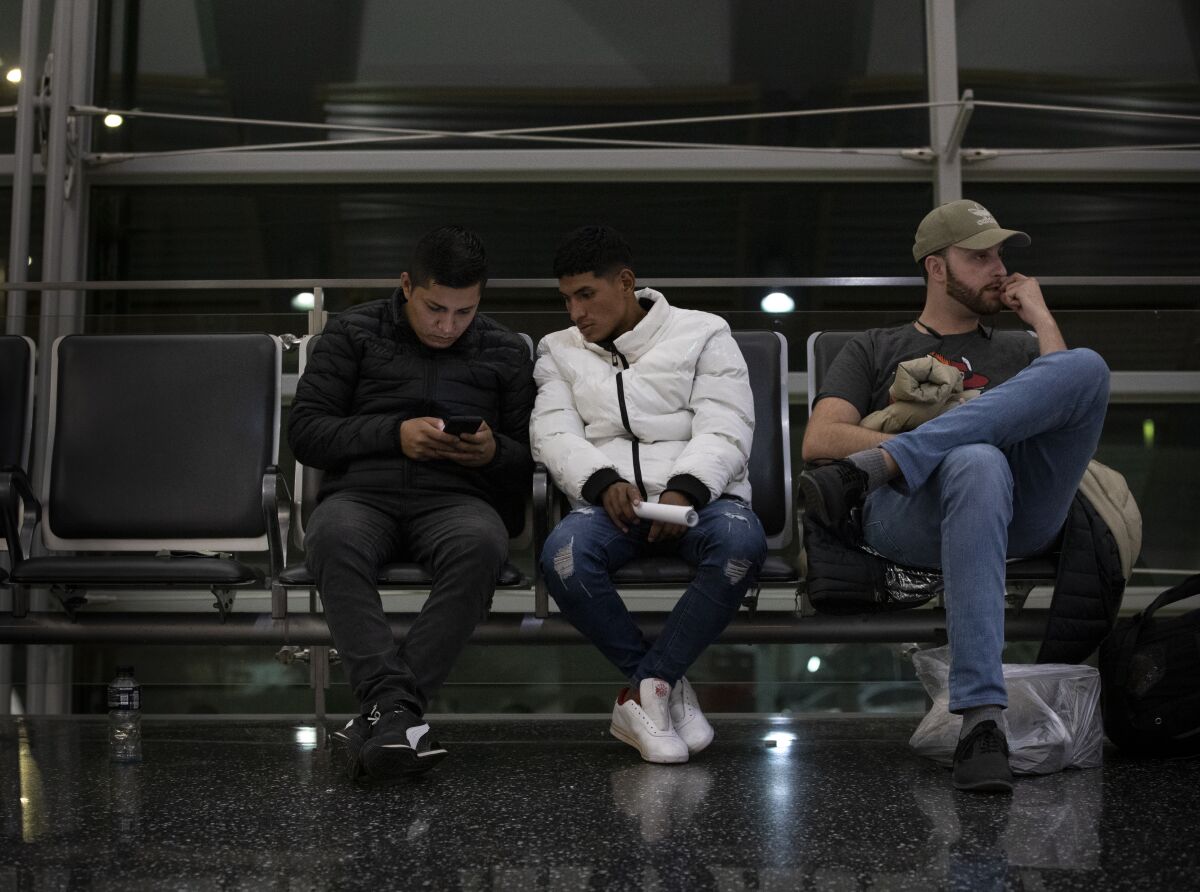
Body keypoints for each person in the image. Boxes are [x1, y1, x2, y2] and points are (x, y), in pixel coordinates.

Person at [798, 199, 1110, 793]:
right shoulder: (873, 346)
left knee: (1086, 367)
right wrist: (951, 442)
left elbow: (1070, 397)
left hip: (1022, 512)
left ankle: (888, 460)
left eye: (1000, 255)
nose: (998, 268)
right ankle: (982, 722)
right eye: (979, 256)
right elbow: (821, 439)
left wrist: (1041, 319)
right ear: (937, 268)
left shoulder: (1022, 350)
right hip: (907, 516)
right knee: (975, 457)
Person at [288, 225, 534, 783]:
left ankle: (385, 713)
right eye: (435, 308)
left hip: (455, 499)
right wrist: (392, 433)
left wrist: (493, 452)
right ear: (406, 286)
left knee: (482, 545)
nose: (447, 326)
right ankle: (399, 714)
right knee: (331, 538)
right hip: (361, 495)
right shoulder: (351, 333)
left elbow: (527, 464)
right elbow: (305, 433)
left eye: (464, 312)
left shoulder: (504, 350)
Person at [531, 225, 768, 764]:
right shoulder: (557, 351)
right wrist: (601, 482)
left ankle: (646, 686)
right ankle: (664, 688)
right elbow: (553, 432)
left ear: (626, 283)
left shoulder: (704, 332)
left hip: (704, 500)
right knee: (563, 558)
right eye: (566, 299)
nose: (575, 313)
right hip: (609, 501)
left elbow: (726, 423)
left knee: (739, 546)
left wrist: (687, 490)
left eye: (586, 295)